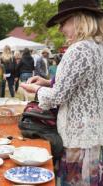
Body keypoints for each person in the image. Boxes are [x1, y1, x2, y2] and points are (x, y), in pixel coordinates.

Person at [20, 0, 103, 185]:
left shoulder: (79, 49)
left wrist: (37, 89)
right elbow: (83, 86)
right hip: (91, 133)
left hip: (77, 137)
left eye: (62, 23)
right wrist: (48, 82)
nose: (60, 29)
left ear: (77, 20)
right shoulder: (98, 47)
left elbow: (57, 97)